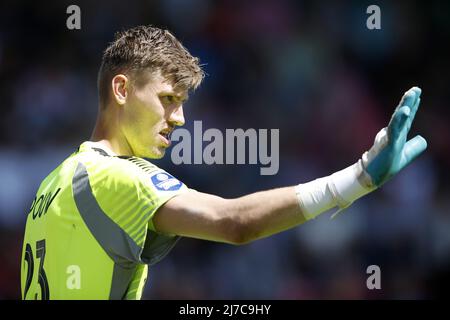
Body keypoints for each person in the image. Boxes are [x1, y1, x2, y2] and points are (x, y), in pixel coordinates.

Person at [20, 25, 427, 300]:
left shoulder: (51, 184)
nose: (178, 118)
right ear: (122, 89)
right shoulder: (117, 177)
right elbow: (235, 223)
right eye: (167, 99)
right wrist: (358, 178)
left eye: (181, 104)